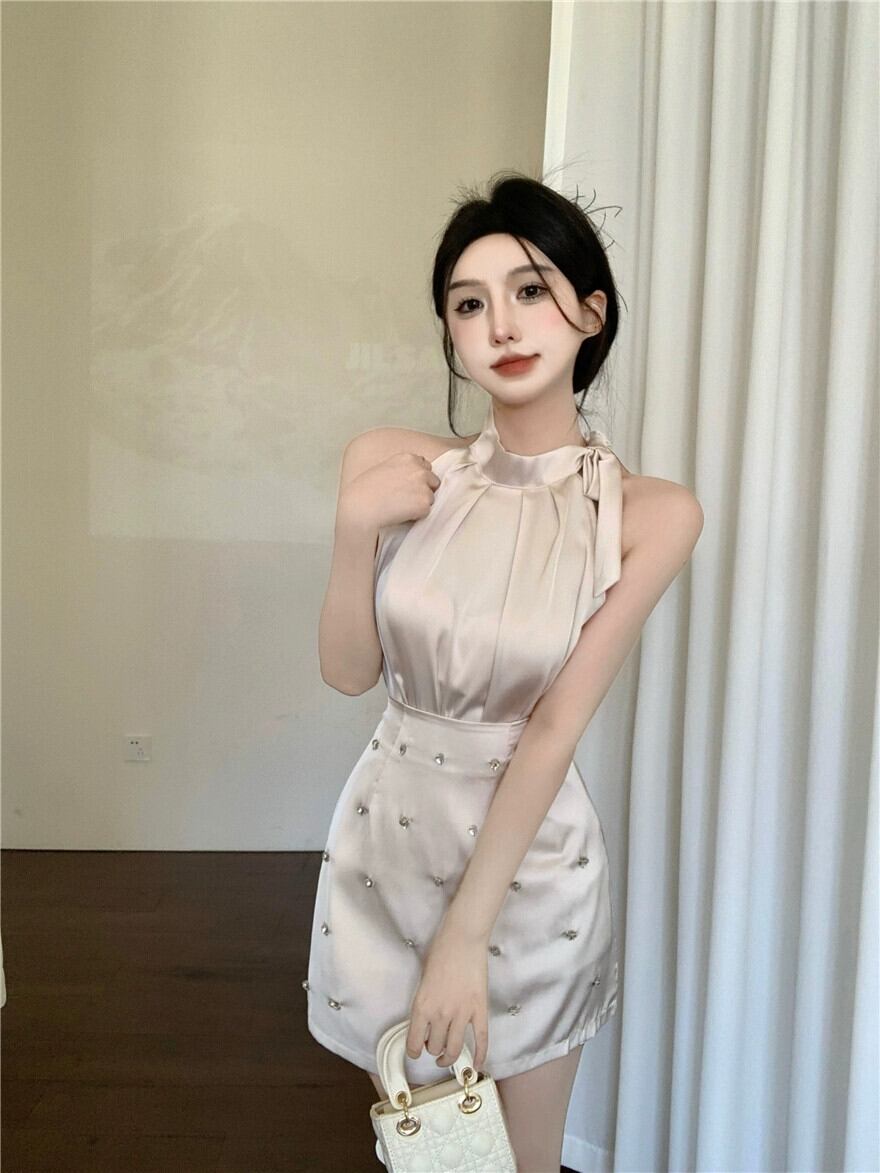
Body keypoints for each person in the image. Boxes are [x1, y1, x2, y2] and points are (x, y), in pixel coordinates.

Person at [306, 171, 704, 1172]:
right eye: (469, 304)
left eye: (531, 289)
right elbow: (349, 673)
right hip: (390, 843)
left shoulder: (648, 514)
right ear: (450, 333)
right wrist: (354, 530)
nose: (503, 325)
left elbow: (555, 726)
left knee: (517, 1161)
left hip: (528, 873)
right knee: (433, 1149)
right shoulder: (391, 466)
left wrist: (465, 937)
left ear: (591, 311)